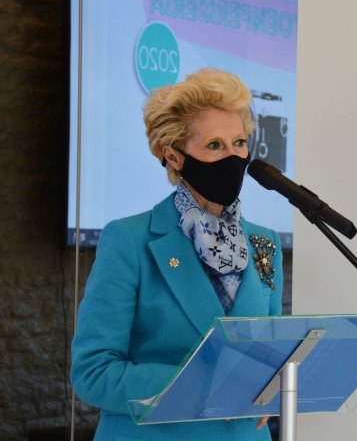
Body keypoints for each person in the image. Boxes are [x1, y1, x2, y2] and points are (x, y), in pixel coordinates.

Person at [71, 68, 283, 441]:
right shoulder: (129, 240)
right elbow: (93, 373)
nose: (233, 157)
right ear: (174, 156)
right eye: (214, 145)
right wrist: (205, 385)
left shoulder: (264, 244)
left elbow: (267, 352)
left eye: (239, 142)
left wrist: (274, 387)